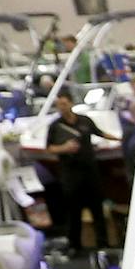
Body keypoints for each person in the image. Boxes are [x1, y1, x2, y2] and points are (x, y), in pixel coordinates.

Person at [44, 88, 118, 251]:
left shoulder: (84, 121)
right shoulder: (55, 126)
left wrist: (120, 139)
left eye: (64, 104)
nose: (62, 107)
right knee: (74, 211)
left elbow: (99, 133)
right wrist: (64, 148)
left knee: (97, 208)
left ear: (71, 103)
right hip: (70, 174)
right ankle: (75, 245)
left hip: (90, 171)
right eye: (59, 105)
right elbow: (49, 148)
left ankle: (103, 243)